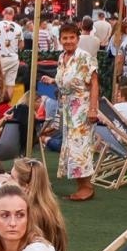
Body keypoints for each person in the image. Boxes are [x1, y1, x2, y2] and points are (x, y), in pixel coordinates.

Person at [50, 22, 99, 202]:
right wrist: (53, 81)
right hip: (68, 107)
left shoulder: (84, 57)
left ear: (78, 39)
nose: (68, 41)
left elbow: (94, 83)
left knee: (81, 146)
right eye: (65, 38)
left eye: (72, 37)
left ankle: (87, 187)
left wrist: (93, 108)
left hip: (83, 106)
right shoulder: (62, 57)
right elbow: (66, 80)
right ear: (60, 39)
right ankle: (81, 185)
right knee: (72, 146)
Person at [7, 156, 67, 251]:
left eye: (12, 177)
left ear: (26, 187)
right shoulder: (49, 207)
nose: (7, 179)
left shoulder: (27, 215)